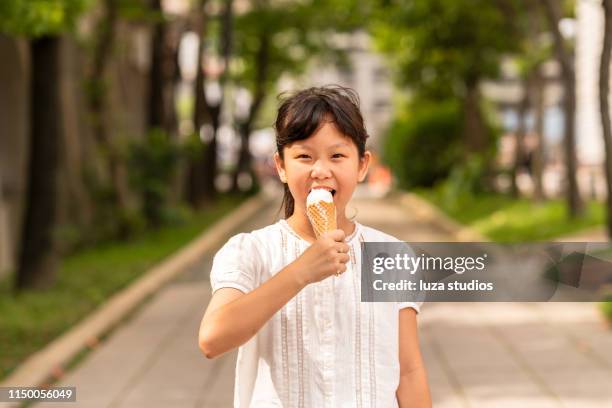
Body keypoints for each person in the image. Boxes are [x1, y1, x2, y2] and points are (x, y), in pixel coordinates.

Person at [198, 85, 432, 407]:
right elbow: (212, 338)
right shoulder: (250, 251)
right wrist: (301, 272)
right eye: (304, 156)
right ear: (281, 166)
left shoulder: (389, 255)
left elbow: (409, 371)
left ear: (362, 165)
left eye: (337, 155)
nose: (321, 171)